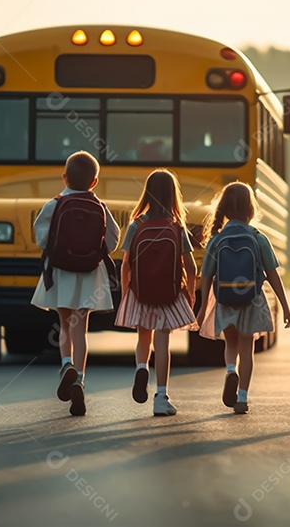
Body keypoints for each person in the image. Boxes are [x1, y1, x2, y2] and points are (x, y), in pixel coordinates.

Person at [31, 151, 120, 417]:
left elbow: (42, 239)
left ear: (64, 177)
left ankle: (66, 364)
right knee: (80, 328)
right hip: (90, 275)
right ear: (94, 182)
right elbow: (112, 242)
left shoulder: (54, 205)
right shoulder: (101, 207)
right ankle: (79, 378)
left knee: (64, 324)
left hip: (61, 272)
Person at [195, 182, 290, 414]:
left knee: (231, 343)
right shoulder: (258, 238)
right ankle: (242, 397)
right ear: (251, 210)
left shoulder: (216, 240)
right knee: (247, 351)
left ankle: (231, 371)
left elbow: (206, 276)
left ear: (224, 210)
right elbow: (273, 276)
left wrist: (201, 308)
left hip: (225, 300)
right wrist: (285, 306)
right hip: (251, 300)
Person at [115, 169, 198, 416]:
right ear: (174, 195)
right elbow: (191, 267)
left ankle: (142, 367)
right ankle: (161, 396)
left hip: (140, 292)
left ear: (147, 194)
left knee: (144, 337)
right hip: (169, 293)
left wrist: (126, 293)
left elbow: (126, 264)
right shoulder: (177, 227)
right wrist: (190, 294)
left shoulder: (136, 225)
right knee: (163, 342)